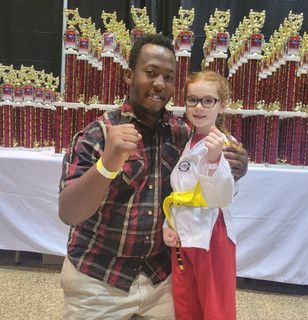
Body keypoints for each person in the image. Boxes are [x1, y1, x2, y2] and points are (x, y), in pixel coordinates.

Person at [58, 34, 248, 320]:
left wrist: (236, 165)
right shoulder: (97, 135)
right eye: (150, 73)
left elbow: (211, 183)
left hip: (162, 278)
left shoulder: (181, 134)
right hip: (99, 279)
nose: (159, 83)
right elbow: (69, 213)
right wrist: (107, 164)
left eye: (169, 77)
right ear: (128, 76)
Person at [163, 71, 238, 320]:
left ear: (222, 105)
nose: (199, 107)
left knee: (216, 310)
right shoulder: (188, 140)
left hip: (211, 236)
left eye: (208, 100)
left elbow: (222, 197)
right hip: (183, 237)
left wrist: (215, 160)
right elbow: (178, 192)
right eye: (192, 100)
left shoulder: (226, 144)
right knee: (186, 306)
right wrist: (167, 224)